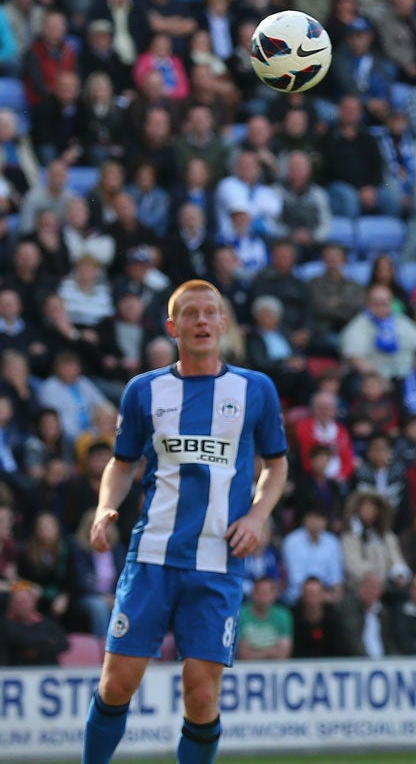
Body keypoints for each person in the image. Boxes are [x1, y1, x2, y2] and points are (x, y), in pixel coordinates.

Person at [82, 279, 289, 764]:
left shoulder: (255, 389)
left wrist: (258, 516)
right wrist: (104, 506)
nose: (200, 321)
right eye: (190, 313)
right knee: (116, 684)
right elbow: (120, 462)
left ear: (223, 324)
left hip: (218, 562)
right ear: (173, 327)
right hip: (152, 556)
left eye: (209, 313)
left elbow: (276, 464)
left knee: (200, 696)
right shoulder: (144, 391)